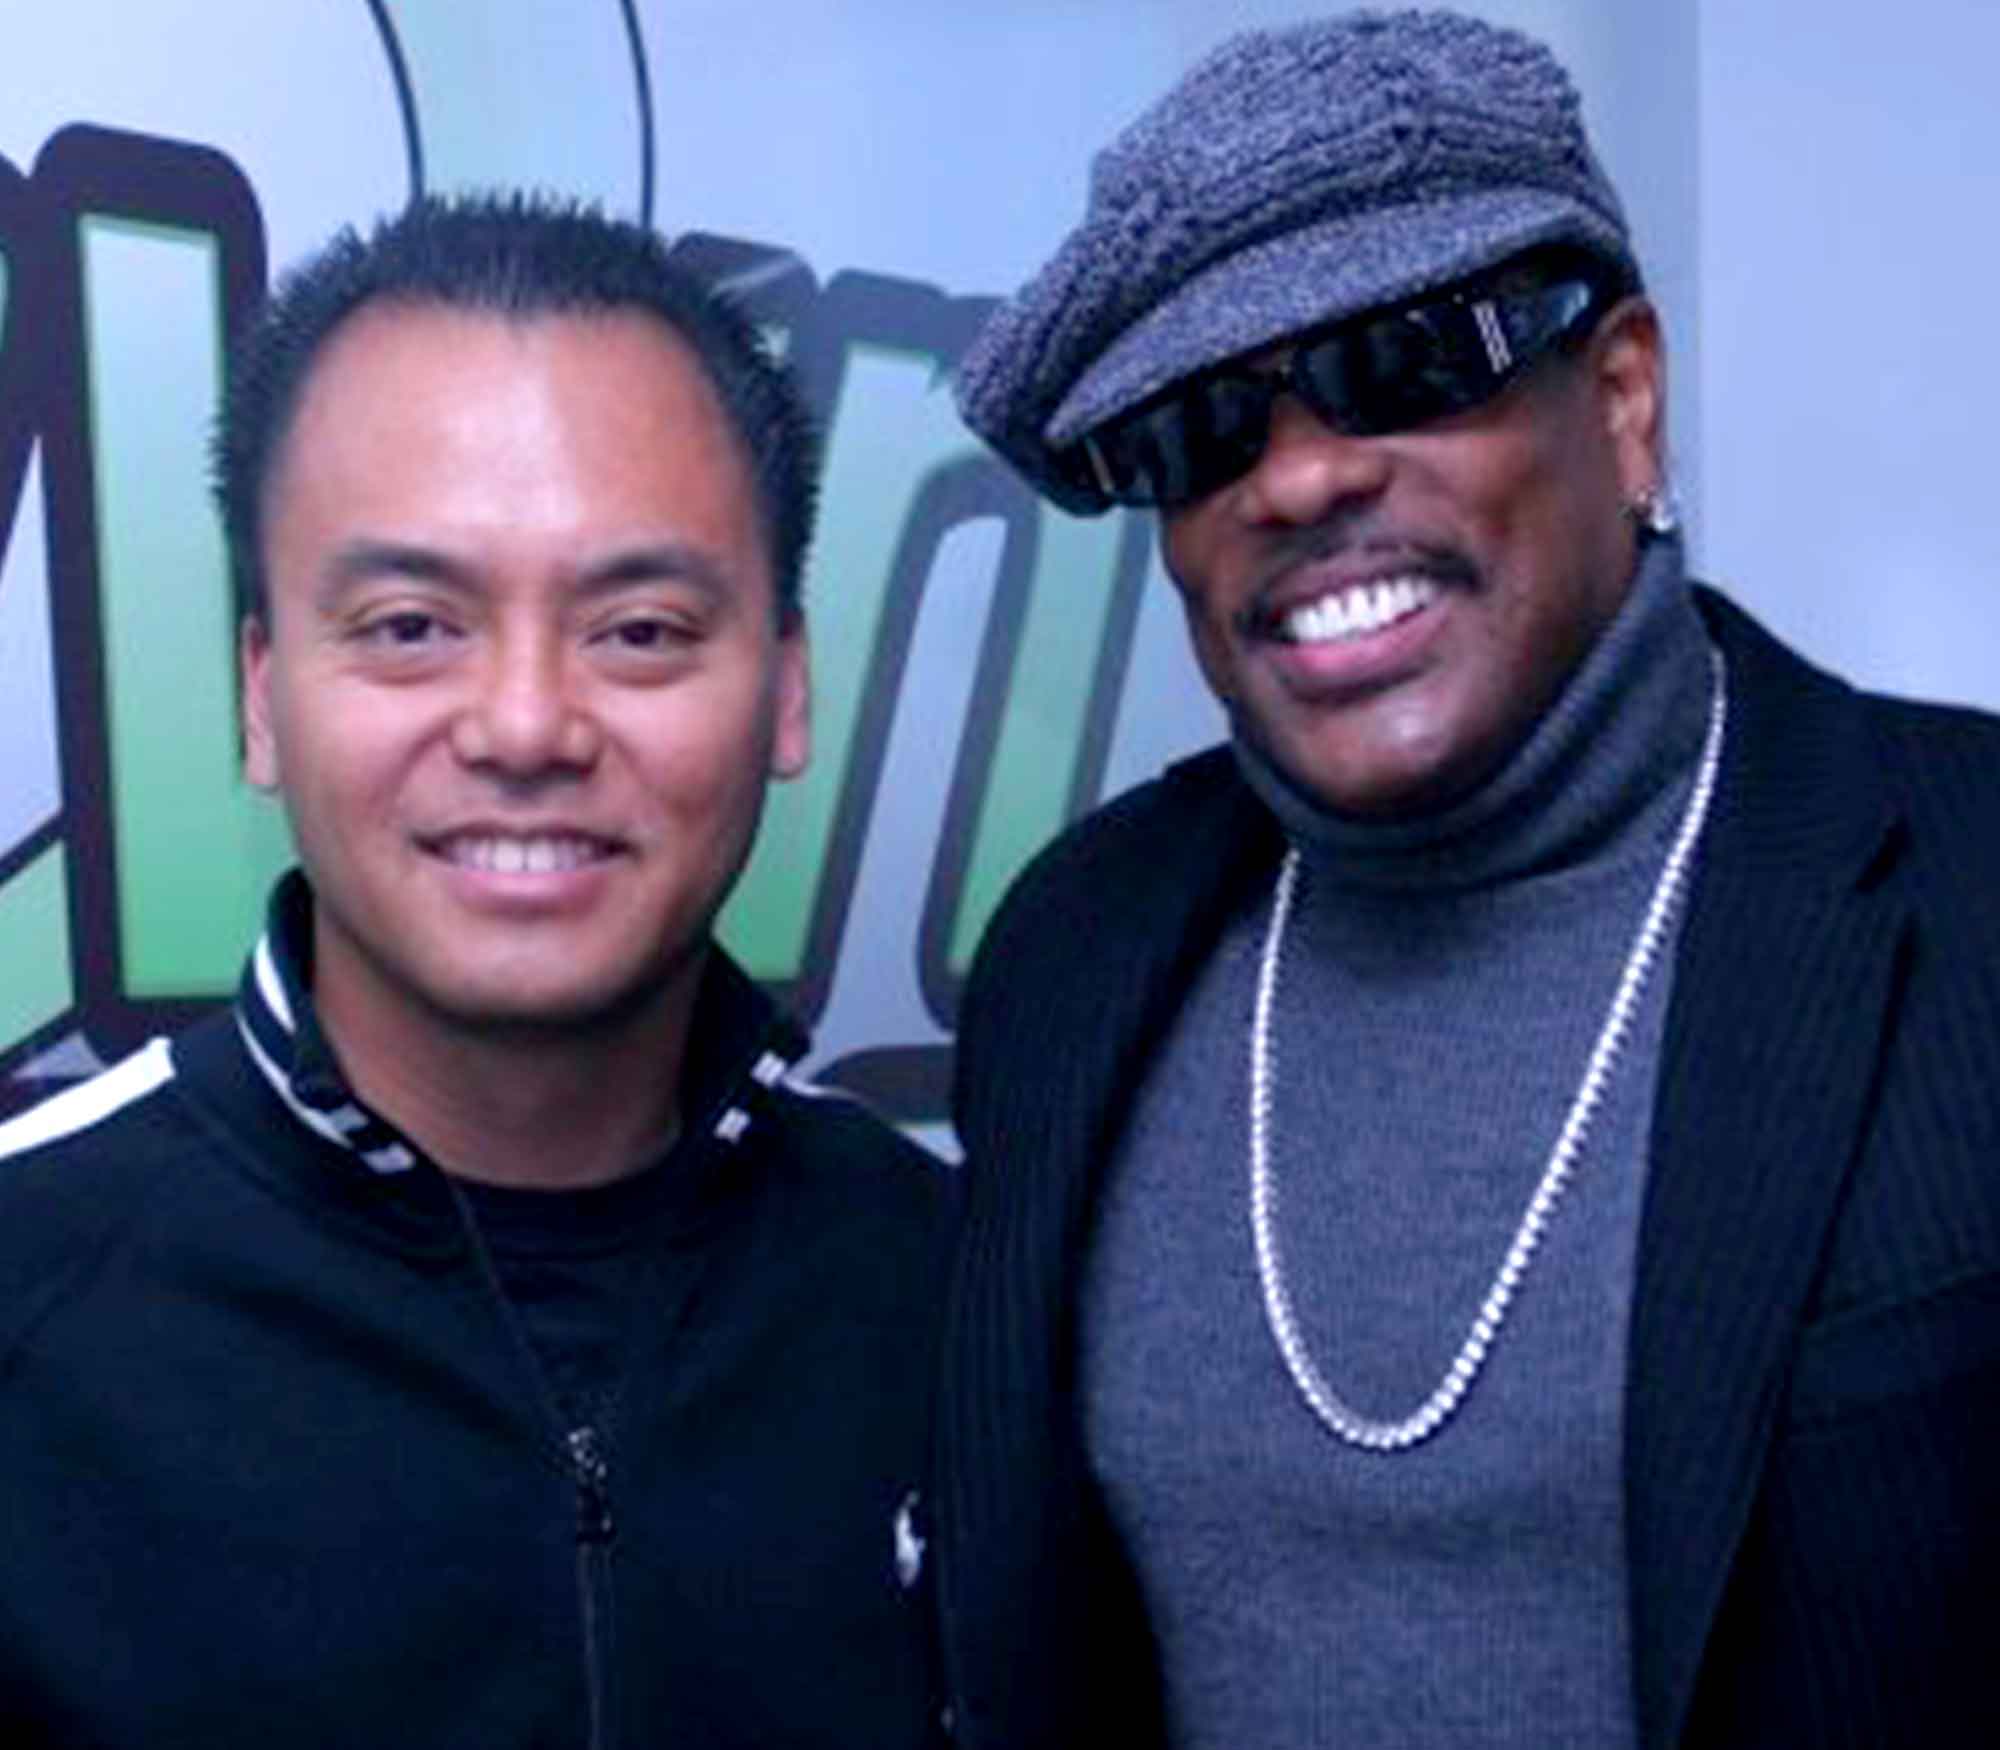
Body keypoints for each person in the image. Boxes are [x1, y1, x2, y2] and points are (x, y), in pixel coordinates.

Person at [937, 10, 2000, 1748]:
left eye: (1407, 357)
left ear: (1626, 401)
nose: (1301, 473)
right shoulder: (1073, 953)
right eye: (1205, 427)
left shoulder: (1973, 882)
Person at [0, 194, 950, 1747]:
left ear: (786, 690)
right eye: (410, 625)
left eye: (639, 630)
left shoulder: (957, 1289)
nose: (524, 725)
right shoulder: (31, 1285)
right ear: (260, 694)